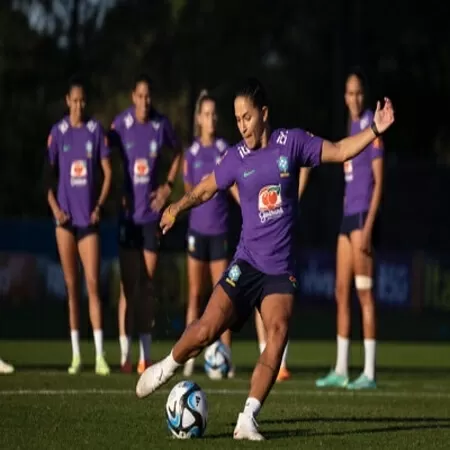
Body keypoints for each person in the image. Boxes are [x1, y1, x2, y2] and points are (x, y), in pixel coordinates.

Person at [136, 77, 394, 440]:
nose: (241, 126)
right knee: (207, 329)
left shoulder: (292, 143)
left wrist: (374, 130)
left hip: (279, 271)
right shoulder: (236, 158)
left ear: (264, 114)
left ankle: (248, 418)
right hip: (246, 263)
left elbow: (338, 150)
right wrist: (176, 207)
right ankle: (167, 367)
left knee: (278, 333)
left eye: (247, 117)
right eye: (237, 119)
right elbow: (208, 185)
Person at [316, 70, 384, 390]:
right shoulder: (350, 127)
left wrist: (368, 227)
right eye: (349, 93)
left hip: (361, 221)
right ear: (344, 97)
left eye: (358, 93)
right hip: (346, 219)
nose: (354, 98)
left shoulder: (373, 125)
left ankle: (368, 372)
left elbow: (379, 181)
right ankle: (342, 368)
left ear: (363, 95)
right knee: (341, 291)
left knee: (364, 293)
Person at [109, 74, 181, 374]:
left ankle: (145, 356)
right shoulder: (120, 124)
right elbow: (104, 158)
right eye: (140, 96)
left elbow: (178, 153)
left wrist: (167, 186)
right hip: (128, 218)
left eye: (149, 96)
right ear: (132, 97)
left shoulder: (160, 125)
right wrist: (115, 192)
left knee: (146, 285)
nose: (145, 101)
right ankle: (125, 356)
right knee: (128, 287)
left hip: (151, 217)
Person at [46, 76, 112, 375]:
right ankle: (76, 356)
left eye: (83, 100)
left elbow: (108, 173)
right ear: (67, 101)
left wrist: (99, 206)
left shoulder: (95, 130)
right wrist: (56, 209)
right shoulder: (58, 133)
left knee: (93, 286)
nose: (79, 105)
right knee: (72, 288)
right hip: (65, 222)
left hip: (88, 220)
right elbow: (46, 179)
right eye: (74, 100)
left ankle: (99, 356)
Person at [182, 90, 239, 377]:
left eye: (215, 113)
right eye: (206, 114)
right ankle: (188, 355)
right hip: (197, 232)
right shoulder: (191, 154)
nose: (211, 118)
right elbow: (190, 193)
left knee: (224, 295)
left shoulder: (224, 150)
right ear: (198, 119)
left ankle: (225, 358)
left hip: (219, 232)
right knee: (195, 294)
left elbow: (236, 188)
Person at [254, 167, 311, 382]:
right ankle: (266, 357)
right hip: (258, 237)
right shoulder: (250, 156)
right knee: (259, 298)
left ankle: (281, 363)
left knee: (282, 298)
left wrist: (295, 196)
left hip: (283, 237)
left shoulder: (284, 145)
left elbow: (307, 164)